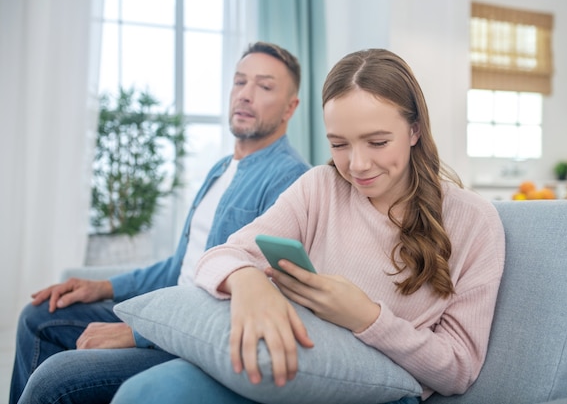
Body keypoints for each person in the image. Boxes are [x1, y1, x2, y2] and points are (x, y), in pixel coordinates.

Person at [111, 48, 506, 404]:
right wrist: (247, 282)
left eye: (377, 142)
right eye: (339, 144)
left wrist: (366, 317)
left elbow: (459, 369)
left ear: (415, 130)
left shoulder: (472, 221)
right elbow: (221, 256)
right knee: (146, 393)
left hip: (374, 388)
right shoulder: (321, 186)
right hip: (288, 359)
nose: (357, 165)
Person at [11, 41, 311, 404]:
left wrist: (138, 334)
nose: (245, 95)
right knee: (37, 316)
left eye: (264, 87)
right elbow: (178, 268)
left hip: (191, 338)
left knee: (54, 381)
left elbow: (258, 297)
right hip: (168, 312)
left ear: (290, 108)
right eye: (239, 82)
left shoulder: (291, 180)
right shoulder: (220, 169)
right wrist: (102, 286)